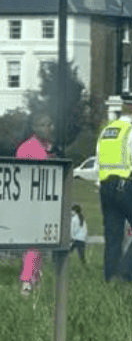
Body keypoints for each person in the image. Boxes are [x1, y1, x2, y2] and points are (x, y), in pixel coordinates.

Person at [96, 90, 132, 283]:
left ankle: (110, 277)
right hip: (126, 186)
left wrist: (100, 185)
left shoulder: (106, 132)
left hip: (106, 187)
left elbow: (98, 163)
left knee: (113, 236)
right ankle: (126, 273)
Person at [16, 112, 55, 295]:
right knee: (33, 242)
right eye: (47, 125)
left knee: (39, 242)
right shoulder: (28, 148)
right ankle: (26, 281)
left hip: (43, 202)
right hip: (30, 202)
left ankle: (35, 278)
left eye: (51, 124)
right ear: (35, 128)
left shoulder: (45, 147)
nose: (51, 128)